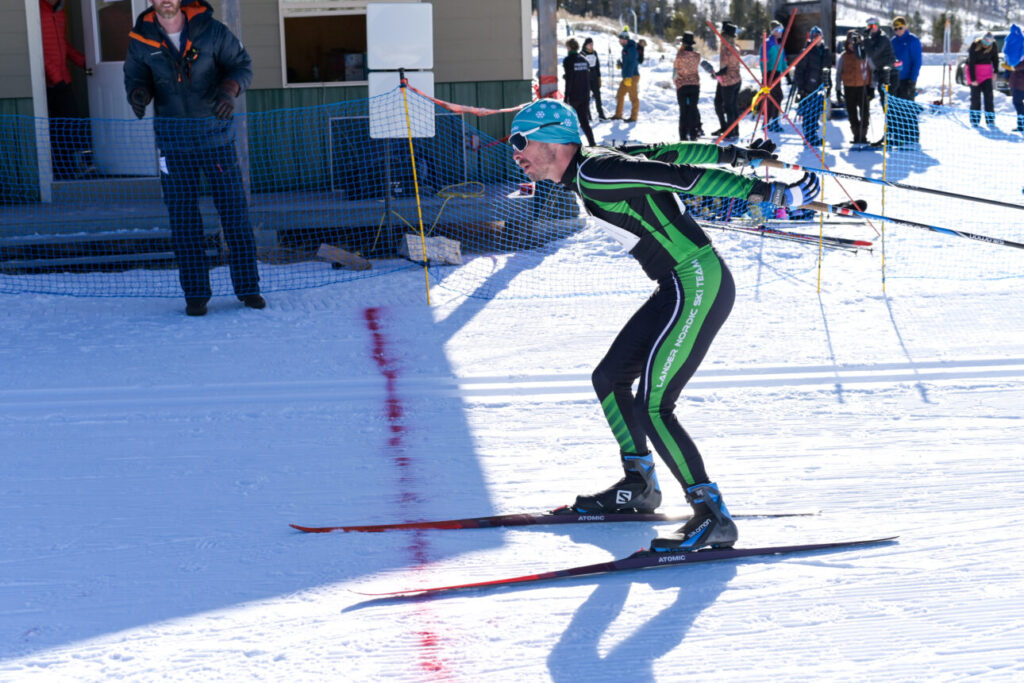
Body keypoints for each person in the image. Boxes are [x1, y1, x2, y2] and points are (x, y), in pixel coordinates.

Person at [507, 99, 819, 552]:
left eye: (521, 141)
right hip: (675, 285)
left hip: (697, 282)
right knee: (610, 378)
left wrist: (771, 195)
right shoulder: (595, 167)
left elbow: (679, 177)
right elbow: (670, 152)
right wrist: (735, 154)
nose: (516, 153)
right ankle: (639, 486)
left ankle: (712, 516)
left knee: (654, 406)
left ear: (552, 139)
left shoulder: (596, 172)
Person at [124, 0, 264, 317]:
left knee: (234, 216)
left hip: (216, 139)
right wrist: (138, 94)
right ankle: (196, 295)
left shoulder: (212, 30)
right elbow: (135, 77)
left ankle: (249, 289)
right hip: (172, 144)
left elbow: (242, 66)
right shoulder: (141, 38)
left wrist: (229, 90)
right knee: (183, 221)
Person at [39, 0, 90, 179]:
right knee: (56, 128)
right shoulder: (37, 12)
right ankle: (62, 171)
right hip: (47, 83)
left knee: (70, 125)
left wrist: (84, 61)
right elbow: (38, 51)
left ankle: (70, 169)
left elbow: (63, 44)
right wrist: (56, 78)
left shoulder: (60, 13)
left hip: (63, 79)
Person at [835, 30, 875, 146]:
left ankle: (863, 135)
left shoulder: (865, 54)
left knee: (864, 113)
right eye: (850, 43)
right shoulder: (844, 56)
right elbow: (838, 73)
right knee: (852, 113)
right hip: (849, 88)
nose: (852, 45)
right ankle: (856, 135)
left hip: (863, 87)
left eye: (855, 42)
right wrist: (838, 89)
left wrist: (872, 87)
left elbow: (873, 70)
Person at [888, 16, 922, 147]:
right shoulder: (893, 41)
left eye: (900, 28)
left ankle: (911, 137)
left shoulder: (913, 40)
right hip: (895, 79)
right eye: (895, 29)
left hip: (907, 80)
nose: (898, 31)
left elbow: (917, 61)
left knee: (907, 109)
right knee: (895, 110)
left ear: (905, 27)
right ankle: (897, 136)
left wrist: (912, 80)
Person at [793, 25, 830, 147]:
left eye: (818, 36)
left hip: (820, 87)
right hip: (808, 88)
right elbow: (799, 71)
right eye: (814, 36)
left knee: (816, 113)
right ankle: (809, 137)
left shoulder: (825, 51)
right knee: (808, 115)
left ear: (821, 37)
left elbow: (828, 70)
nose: (816, 39)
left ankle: (813, 136)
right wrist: (801, 88)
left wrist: (828, 86)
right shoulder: (806, 51)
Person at [562, 38, 596, 146]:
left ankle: (574, 147)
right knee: (584, 122)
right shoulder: (584, 60)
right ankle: (592, 144)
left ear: (569, 47)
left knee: (570, 123)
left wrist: (566, 98)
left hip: (574, 96)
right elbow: (584, 77)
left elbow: (570, 80)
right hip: (585, 95)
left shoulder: (568, 60)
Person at [713, 21, 742, 140]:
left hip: (727, 81)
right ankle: (733, 130)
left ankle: (730, 131)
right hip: (736, 80)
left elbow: (724, 69)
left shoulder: (726, 49)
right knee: (732, 106)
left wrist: (715, 74)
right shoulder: (736, 48)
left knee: (727, 107)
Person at [966, 32, 1000, 128]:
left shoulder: (993, 45)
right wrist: (973, 79)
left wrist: (995, 71)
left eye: (988, 44)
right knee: (975, 99)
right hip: (974, 71)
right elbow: (971, 63)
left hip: (986, 73)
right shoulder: (975, 44)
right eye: (984, 43)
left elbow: (995, 59)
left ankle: (990, 120)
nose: (985, 45)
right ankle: (975, 120)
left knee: (989, 97)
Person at [673, 32, 702, 141]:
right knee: (693, 110)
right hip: (694, 85)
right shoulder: (697, 56)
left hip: (682, 85)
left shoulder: (679, 55)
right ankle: (693, 134)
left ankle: (683, 136)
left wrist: (675, 81)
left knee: (683, 111)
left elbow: (675, 71)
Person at [760, 20, 788, 132]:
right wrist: (764, 75)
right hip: (769, 73)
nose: (781, 32)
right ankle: (769, 122)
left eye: (782, 30)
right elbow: (763, 60)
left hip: (777, 73)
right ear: (773, 31)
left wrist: (787, 74)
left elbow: (783, 60)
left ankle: (771, 121)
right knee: (774, 97)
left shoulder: (780, 44)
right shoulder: (767, 43)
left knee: (776, 97)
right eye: (779, 30)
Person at [611, 30, 640, 122]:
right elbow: (627, 64)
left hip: (632, 77)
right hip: (627, 77)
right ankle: (618, 115)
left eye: (622, 39)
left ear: (626, 39)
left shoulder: (631, 48)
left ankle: (634, 117)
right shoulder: (626, 48)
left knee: (633, 97)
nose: (621, 41)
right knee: (620, 95)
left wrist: (628, 77)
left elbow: (632, 63)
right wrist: (621, 65)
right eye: (620, 39)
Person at [581, 37, 607, 120]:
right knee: (586, 98)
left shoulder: (594, 53)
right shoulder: (582, 54)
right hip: (586, 78)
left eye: (592, 44)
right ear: (585, 45)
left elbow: (597, 66)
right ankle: (588, 116)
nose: (591, 46)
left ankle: (601, 115)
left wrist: (599, 78)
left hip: (594, 77)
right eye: (589, 44)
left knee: (597, 96)